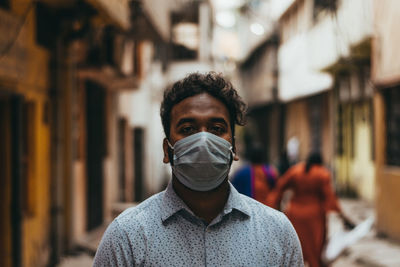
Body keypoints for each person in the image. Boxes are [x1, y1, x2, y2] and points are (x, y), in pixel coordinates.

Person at [93, 72, 304, 266]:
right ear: (168, 150)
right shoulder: (127, 237)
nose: (203, 139)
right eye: (188, 129)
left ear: (234, 148)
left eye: (217, 129)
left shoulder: (277, 233)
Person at [270, 152, 354, 267]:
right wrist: (343, 217)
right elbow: (330, 197)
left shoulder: (295, 170)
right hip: (314, 216)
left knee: (296, 245)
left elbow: (280, 187)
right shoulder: (322, 174)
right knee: (315, 249)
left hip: (294, 214)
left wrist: (277, 208)